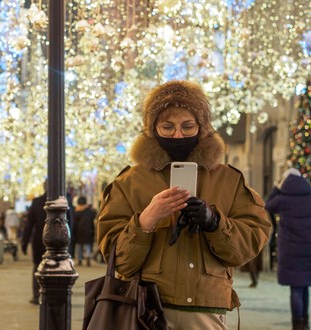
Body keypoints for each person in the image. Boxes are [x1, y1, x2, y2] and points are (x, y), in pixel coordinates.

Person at [97, 80, 272, 329]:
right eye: (167, 127)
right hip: (146, 307)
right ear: (152, 129)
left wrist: (214, 222)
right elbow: (119, 260)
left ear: (202, 128)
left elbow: (247, 246)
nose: (178, 135)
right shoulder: (129, 182)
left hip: (206, 308)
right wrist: (146, 220)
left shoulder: (229, 180)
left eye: (187, 126)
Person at [265, 168, 311, 330]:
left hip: (291, 250)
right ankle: (305, 321)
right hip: (308, 250)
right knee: (305, 286)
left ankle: (297, 324)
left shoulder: (283, 198)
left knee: (296, 288)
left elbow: (267, 205)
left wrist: (277, 187)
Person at [21, 183, 47, 305]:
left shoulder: (37, 202)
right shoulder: (63, 201)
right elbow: (70, 223)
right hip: (59, 243)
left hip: (39, 241)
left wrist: (24, 243)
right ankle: (48, 294)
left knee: (37, 267)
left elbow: (29, 225)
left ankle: (36, 295)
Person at [73, 196, 96, 267]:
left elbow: (74, 223)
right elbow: (93, 216)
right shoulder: (90, 211)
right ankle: (87, 258)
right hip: (88, 231)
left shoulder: (76, 211)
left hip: (78, 231)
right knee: (87, 246)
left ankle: (79, 260)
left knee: (79, 246)